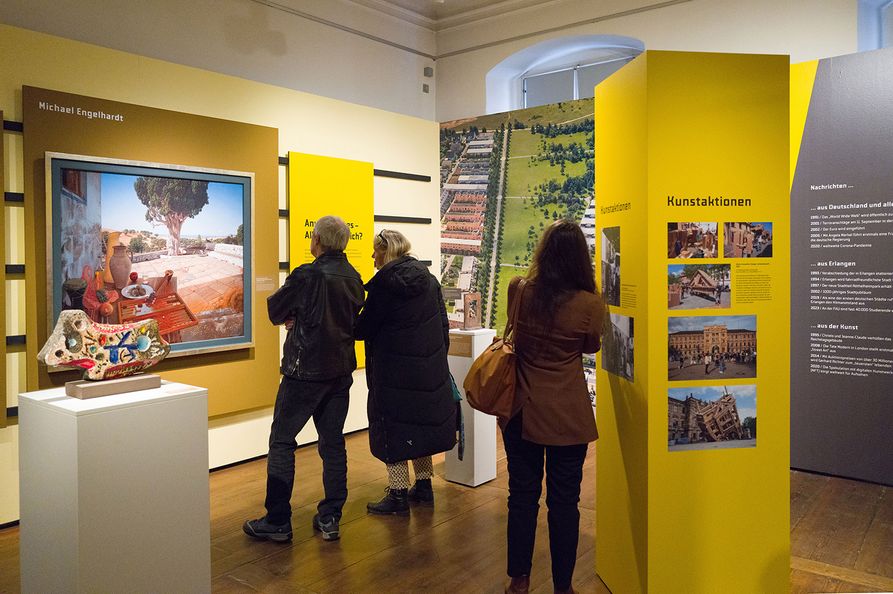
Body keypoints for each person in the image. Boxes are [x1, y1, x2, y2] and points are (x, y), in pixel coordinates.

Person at [243, 215, 364, 543]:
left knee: (282, 441)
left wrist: (294, 316)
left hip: (303, 372)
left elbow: (274, 312)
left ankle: (279, 520)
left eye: (312, 236)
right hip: (340, 371)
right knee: (333, 442)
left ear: (318, 241)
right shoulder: (353, 277)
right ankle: (331, 517)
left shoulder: (306, 274)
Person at [502, 220, 605, 594]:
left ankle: (520, 579)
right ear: (581, 258)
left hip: (521, 411)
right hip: (567, 416)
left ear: (543, 253)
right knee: (565, 503)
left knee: (522, 496)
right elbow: (590, 346)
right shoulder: (591, 304)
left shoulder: (520, 289)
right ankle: (563, 585)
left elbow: (511, 329)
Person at [355, 229, 456, 516]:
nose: (373, 257)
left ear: (386, 251)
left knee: (395, 427)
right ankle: (424, 487)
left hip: (394, 371)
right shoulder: (429, 280)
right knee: (420, 425)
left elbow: (364, 329)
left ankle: (398, 494)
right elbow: (443, 325)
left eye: (375, 251)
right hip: (428, 369)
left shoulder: (385, 285)